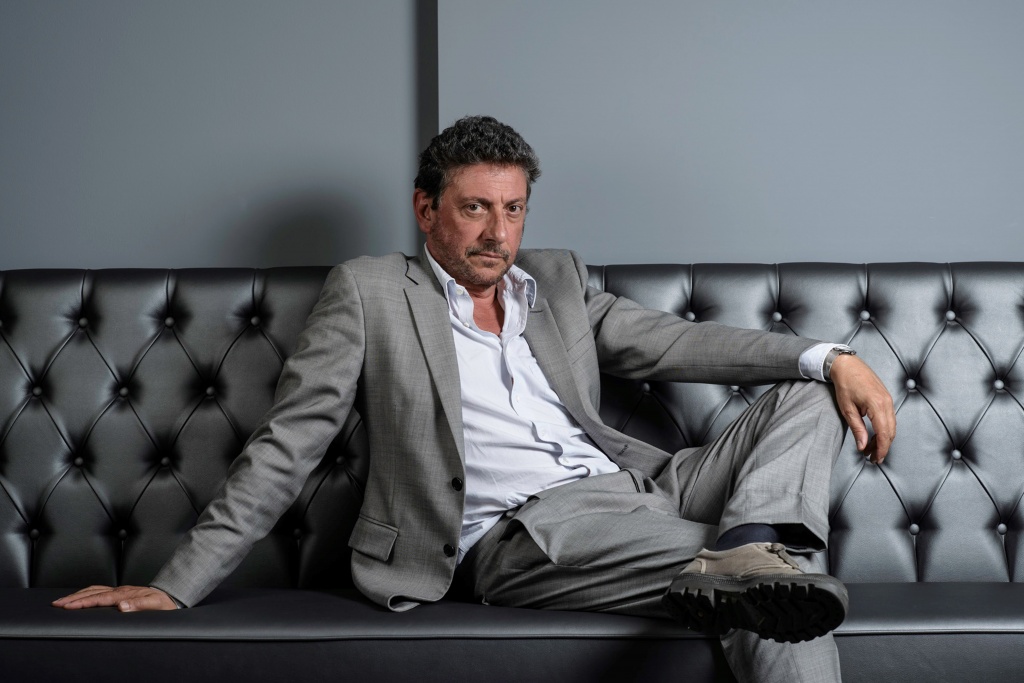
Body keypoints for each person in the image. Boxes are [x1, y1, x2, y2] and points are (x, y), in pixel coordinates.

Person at [55, 116, 895, 682]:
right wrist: (177, 584)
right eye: (475, 209)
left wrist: (829, 355)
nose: (499, 233)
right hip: (527, 532)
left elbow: (675, 342)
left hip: (647, 490)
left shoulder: (556, 280)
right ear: (426, 210)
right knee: (785, 592)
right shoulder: (370, 292)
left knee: (810, 393)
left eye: (514, 209)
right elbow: (291, 441)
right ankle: (749, 561)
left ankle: (745, 545)